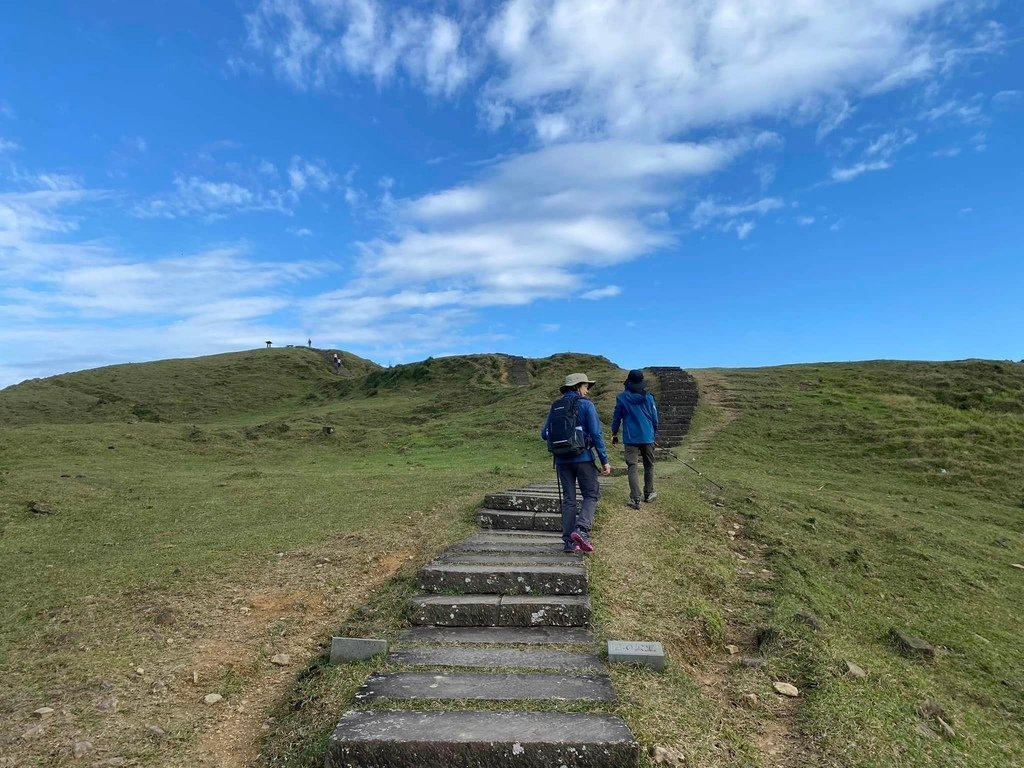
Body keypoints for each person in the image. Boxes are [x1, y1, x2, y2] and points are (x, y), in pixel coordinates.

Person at [541, 373, 611, 553]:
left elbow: (544, 434)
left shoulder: (555, 406)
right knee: (591, 494)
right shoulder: (586, 405)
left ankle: (568, 542)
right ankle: (581, 529)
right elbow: (596, 434)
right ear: (577, 387)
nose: (587, 391)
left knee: (569, 499)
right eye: (586, 387)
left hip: (562, 461)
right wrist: (604, 460)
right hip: (583, 458)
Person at [611, 369, 659, 510]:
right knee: (649, 465)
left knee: (632, 466)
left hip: (630, 438)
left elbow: (616, 418)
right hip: (647, 437)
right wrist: (653, 436)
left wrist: (614, 433)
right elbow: (655, 420)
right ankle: (649, 493)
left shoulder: (621, 398)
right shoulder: (649, 398)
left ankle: (635, 498)